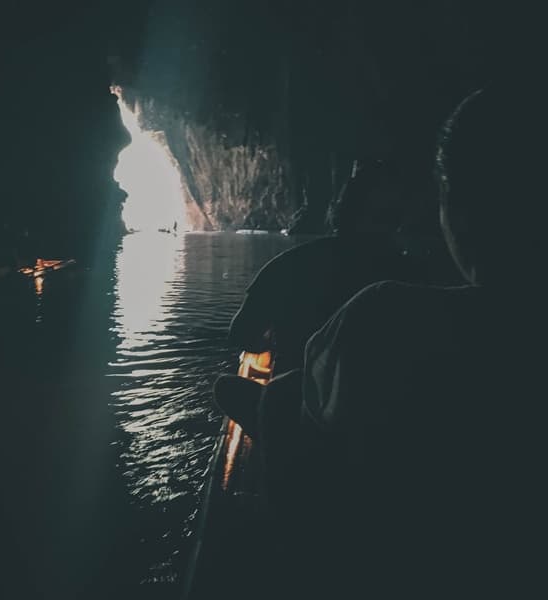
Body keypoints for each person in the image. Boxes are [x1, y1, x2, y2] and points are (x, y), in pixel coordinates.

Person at [220, 83, 546, 595]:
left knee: (278, 397)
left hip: (384, 551)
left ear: (454, 208)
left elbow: (243, 336)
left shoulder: (380, 313)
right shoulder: (414, 275)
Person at [228, 160, 413, 374]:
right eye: (388, 218)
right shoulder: (411, 275)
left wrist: (278, 341)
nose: (393, 228)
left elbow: (242, 334)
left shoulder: (289, 265)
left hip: (297, 384)